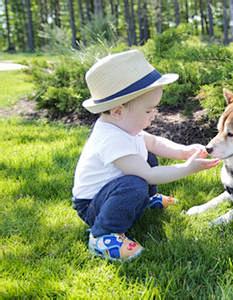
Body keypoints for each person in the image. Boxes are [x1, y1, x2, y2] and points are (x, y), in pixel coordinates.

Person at [72, 49, 219, 261]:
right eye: (149, 111)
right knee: (135, 183)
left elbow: (154, 142)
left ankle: (147, 199)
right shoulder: (111, 139)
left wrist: (184, 151)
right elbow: (148, 175)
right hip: (95, 206)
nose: (154, 115)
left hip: (112, 193)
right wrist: (187, 168)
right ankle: (102, 235)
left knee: (145, 154)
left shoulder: (123, 126)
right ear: (118, 111)